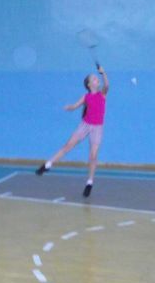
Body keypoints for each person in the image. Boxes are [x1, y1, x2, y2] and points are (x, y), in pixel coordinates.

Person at [36, 65, 110, 197]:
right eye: (94, 78)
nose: (96, 79)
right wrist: (70, 107)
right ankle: (47, 165)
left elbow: (107, 85)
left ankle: (89, 182)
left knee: (93, 156)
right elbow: (75, 106)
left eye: (96, 78)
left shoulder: (102, 94)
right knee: (68, 146)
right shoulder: (86, 97)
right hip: (85, 125)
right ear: (89, 85)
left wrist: (103, 73)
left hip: (97, 128)